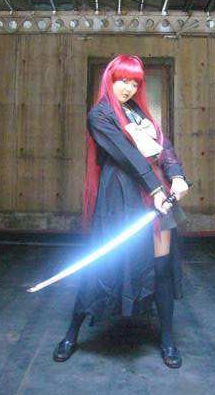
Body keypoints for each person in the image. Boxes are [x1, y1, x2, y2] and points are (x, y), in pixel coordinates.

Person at [53, 55, 189, 368]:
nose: (128, 88)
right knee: (101, 265)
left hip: (156, 195)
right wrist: (157, 189)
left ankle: (167, 340)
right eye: (122, 80)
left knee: (161, 268)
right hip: (121, 195)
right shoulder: (99, 115)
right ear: (110, 79)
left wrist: (177, 175)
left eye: (134, 83)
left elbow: (164, 146)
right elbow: (127, 156)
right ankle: (71, 334)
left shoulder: (138, 113)